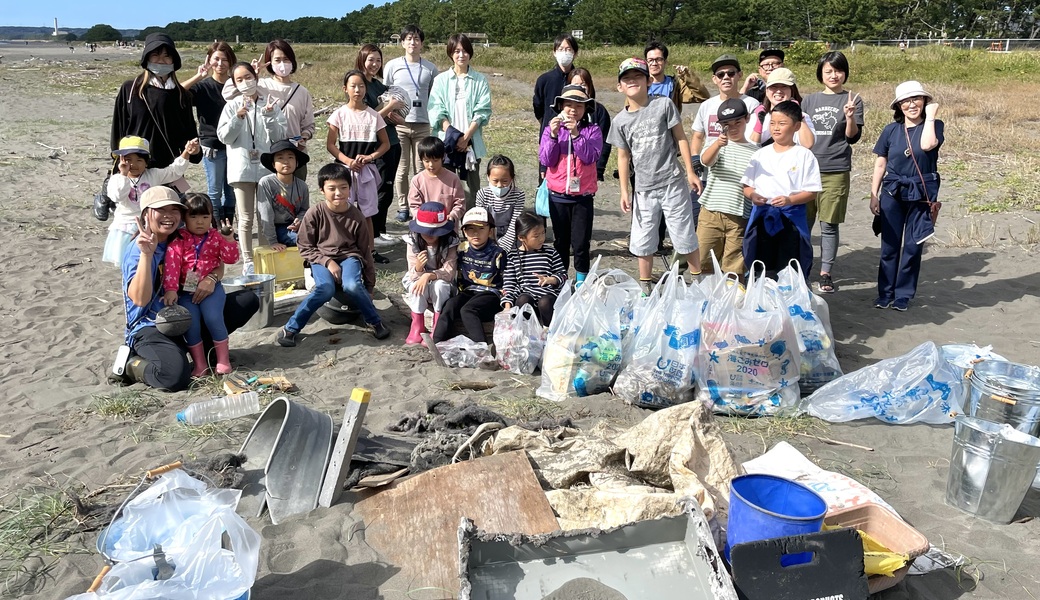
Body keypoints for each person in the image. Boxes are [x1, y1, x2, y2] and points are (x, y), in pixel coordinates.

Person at [117, 187, 259, 391]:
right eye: (161, 210)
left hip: (183, 312)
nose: (169, 216)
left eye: (174, 210)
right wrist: (147, 255)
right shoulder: (138, 249)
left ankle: (206, 353)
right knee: (174, 377)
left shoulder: (183, 237)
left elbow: (216, 262)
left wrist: (211, 278)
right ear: (146, 214)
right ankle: (133, 365)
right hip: (151, 324)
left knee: (247, 300)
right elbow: (139, 300)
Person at [607, 58, 701, 295]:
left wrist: (690, 171)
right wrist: (625, 192)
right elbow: (623, 157)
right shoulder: (619, 121)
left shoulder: (663, 105)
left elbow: (681, 137)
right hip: (644, 189)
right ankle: (645, 287)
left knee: (684, 235)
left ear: (648, 80)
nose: (632, 81)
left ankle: (699, 282)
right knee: (643, 240)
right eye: (626, 79)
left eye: (638, 77)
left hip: (672, 183)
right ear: (619, 87)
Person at [277, 163, 391, 346]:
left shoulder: (357, 216)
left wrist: (369, 287)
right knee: (325, 289)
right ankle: (291, 328)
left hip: (350, 256)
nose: (338, 193)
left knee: (353, 286)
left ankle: (374, 321)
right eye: (332, 188)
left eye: (343, 187)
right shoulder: (315, 213)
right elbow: (305, 246)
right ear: (322, 190)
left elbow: (365, 252)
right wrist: (327, 261)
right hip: (320, 258)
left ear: (350, 189)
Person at [870, 81, 943, 312]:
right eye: (906, 101)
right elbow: (881, 162)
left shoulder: (935, 125)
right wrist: (874, 194)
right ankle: (885, 293)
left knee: (913, 246)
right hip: (893, 191)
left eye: (916, 99)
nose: (911, 105)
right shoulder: (890, 130)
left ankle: (903, 295)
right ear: (898, 106)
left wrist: (930, 116)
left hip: (921, 192)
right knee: (890, 245)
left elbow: (927, 144)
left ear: (924, 101)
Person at [217, 61, 287, 275]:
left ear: (255, 77)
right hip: (241, 168)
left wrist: (268, 118)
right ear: (235, 84)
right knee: (245, 217)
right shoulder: (231, 105)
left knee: (265, 215)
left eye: (248, 77)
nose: (245, 82)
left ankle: (264, 254)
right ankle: (248, 260)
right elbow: (224, 137)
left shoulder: (271, 103)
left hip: (266, 168)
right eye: (239, 80)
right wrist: (238, 118)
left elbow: (280, 137)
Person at [802, 51, 864, 293]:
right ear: (821, 74)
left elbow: (853, 137)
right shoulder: (808, 101)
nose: (833, 75)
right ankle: (802, 268)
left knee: (828, 224)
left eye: (838, 70)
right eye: (828, 71)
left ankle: (825, 273)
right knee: (803, 224)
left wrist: (849, 117)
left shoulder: (853, 99)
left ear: (845, 72)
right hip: (807, 170)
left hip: (836, 168)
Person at [741, 101, 822, 279]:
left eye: (782, 124)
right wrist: (753, 195)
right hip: (762, 216)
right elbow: (747, 186)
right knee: (761, 265)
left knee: (789, 266)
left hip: (790, 218)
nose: (776, 128)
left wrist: (790, 200)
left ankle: (788, 300)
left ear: (796, 126)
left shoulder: (804, 155)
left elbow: (812, 191)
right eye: (772, 123)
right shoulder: (760, 154)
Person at [110, 32, 201, 191]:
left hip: (169, 168)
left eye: (167, 56)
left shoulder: (182, 95)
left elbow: (188, 132)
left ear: (174, 60)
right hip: (135, 166)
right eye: (155, 55)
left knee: (169, 213)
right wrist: (118, 160)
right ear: (147, 58)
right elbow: (119, 128)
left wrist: (194, 150)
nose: (161, 60)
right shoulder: (130, 89)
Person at [162, 193, 240, 377]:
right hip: (186, 291)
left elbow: (231, 259)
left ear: (211, 217)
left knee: (214, 319)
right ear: (184, 218)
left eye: (205, 217)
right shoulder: (179, 238)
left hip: (213, 291)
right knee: (192, 324)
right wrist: (171, 289)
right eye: (193, 216)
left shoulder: (215, 236)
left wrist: (229, 240)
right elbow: (172, 265)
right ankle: (200, 365)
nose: (200, 222)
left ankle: (223, 361)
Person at [103, 136, 200, 267]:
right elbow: (117, 196)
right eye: (128, 160)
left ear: (146, 162)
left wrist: (186, 152)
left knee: (152, 261)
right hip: (126, 227)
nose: (134, 164)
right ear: (121, 161)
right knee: (130, 263)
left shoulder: (153, 175)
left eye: (139, 160)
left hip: (151, 224)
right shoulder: (116, 179)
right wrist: (123, 175)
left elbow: (174, 171)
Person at [539, 85, 603, 286]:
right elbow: (546, 159)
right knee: (560, 242)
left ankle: (582, 281)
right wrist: (553, 136)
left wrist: (576, 135)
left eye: (579, 106)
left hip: (582, 197)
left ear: (585, 110)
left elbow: (591, 156)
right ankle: (561, 278)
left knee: (581, 243)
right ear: (560, 107)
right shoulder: (551, 129)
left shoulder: (592, 130)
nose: (573, 110)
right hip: (558, 195)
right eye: (568, 105)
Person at [326, 69, 391, 260]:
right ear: (345, 89)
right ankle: (343, 248)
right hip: (343, 171)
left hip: (366, 171)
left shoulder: (374, 115)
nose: (357, 90)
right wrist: (347, 161)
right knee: (342, 208)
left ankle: (369, 251)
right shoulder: (339, 114)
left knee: (367, 212)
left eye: (361, 86)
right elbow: (330, 144)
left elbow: (385, 143)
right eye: (353, 86)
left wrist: (370, 157)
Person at [428, 33, 492, 209]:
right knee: (446, 185)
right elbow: (436, 109)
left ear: (470, 53)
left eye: (464, 51)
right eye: (456, 51)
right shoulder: (440, 80)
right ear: (450, 53)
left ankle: (472, 223)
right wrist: (453, 135)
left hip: (471, 141)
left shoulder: (480, 80)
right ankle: (449, 220)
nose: (461, 55)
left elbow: (483, 110)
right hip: (447, 141)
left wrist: (466, 137)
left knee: (473, 187)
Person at [384, 24, 439, 223]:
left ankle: (420, 204)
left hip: (423, 123)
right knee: (402, 168)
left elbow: (434, 96)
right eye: (408, 39)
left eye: (416, 39)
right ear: (402, 42)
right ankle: (402, 207)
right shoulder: (392, 65)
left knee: (421, 167)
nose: (412, 43)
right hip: (399, 124)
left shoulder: (430, 68)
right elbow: (386, 93)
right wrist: (391, 114)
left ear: (421, 43)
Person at [697, 99, 757, 278]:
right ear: (720, 126)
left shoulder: (756, 151)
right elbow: (705, 161)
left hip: (739, 215)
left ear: (747, 119)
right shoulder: (717, 145)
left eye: (737, 122)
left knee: (735, 263)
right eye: (726, 124)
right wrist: (717, 144)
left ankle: (732, 296)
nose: (732, 128)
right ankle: (706, 293)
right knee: (702, 257)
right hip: (711, 212)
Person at [432, 207, 506, 344]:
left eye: (481, 228)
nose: (475, 233)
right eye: (470, 229)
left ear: (490, 231)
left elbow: (506, 278)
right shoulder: (461, 249)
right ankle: (436, 341)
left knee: (468, 310)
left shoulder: (498, 253)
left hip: (491, 294)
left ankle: (482, 346)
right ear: (464, 232)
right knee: (450, 305)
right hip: (468, 292)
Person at [357, 43, 404, 251]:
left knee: (387, 186)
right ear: (362, 60)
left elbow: (387, 115)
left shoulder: (379, 85)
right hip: (376, 146)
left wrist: (397, 115)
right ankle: (373, 233)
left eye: (378, 60)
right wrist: (390, 107)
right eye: (370, 60)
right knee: (378, 188)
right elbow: (368, 118)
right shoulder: (359, 85)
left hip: (392, 141)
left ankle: (381, 229)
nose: (374, 64)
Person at [183, 41, 238, 220]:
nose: (220, 64)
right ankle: (216, 227)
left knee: (231, 190)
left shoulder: (236, 86)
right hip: (212, 145)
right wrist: (198, 76)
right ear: (209, 60)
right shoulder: (203, 87)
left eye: (225, 59)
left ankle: (228, 227)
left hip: (235, 145)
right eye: (216, 59)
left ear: (231, 62)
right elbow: (177, 93)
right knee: (214, 191)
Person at [255, 40, 316, 181]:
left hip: (294, 154)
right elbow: (230, 93)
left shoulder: (302, 92)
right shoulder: (260, 86)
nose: (282, 64)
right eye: (277, 60)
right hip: (268, 154)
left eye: (286, 59)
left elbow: (309, 125)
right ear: (269, 62)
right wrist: (253, 74)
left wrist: (304, 137)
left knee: (297, 197)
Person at [402, 202, 460, 345]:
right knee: (416, 286)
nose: (429, 235)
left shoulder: (450, 242)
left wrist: (429, 275)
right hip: (418, 278)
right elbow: (412, 272)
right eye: (425, 230)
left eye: (435, 232)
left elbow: (449, 271)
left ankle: (437, 325)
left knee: (439, 286)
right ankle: (417, 326)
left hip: (441, 281)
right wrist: (419, 268)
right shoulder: (413, 241)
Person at [690, 54, 761, 168]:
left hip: (741, 167)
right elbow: (698, 136)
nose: (726, 77)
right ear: (714, 79)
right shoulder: (706, 105)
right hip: (710, 168)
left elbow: (755, 137)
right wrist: (695, 157)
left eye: (731, 73)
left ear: (740, 75)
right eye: (720, 74)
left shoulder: (752, 104)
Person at [501, 211, 567, 327]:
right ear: (521, 237)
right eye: (536, 236)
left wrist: (551, 279)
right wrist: (507, 307)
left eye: (543, 233)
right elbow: (509, 283)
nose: (541, 238)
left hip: (547, 298)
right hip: (526, 297)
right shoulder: (513, 256)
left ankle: (549, 332)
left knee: (544, 302)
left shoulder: (551, 252)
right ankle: (525, 333)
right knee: (523, 299)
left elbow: (563, 275)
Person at [533, 34, 579, 180]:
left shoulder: (580, 79)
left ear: (575, 53)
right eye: (561, 49)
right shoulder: (544, 80)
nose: (564, 53)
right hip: (551, 136)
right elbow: (538, 108)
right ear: (554, 52)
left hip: (575, 137)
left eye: (568, 49)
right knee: (547, 182)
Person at [257, 140, 310, 249]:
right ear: (273, 164)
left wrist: (299, 220)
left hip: (296, 226)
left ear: (297, 162)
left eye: (290, 157)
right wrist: (273, 241)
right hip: (277, 228)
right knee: (303, 239)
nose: (286, 162)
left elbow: (305, 210)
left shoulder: (302, 186)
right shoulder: (266, 183)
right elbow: (266, 213)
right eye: (280, 158)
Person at [749, 68, 815, 148]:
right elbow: (751, 147)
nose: (778, 91)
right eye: (774, 87)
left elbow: (808, 145)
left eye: (784, 86)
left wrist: (798, 115)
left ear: (792, 90)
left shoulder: (803, 117)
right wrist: (759, 123)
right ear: (767, 90)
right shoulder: (756, 116)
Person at [407, 136, 466, 224]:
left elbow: (460, 203)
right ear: (421, 159)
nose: (431, 165)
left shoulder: (453, 179)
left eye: (435, 160)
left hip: (447, 227)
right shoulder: (417, 180)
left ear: (443, 157)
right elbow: (414, 205)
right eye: (426, 161)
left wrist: (453, 215)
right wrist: (422, 216)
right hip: (424, 227)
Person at [475, 154, 525, 251]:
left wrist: (504, 246)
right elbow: (481, 221)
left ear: (512, 178)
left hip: (511, 237)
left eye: (505, 181)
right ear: (488, 177)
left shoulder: (518, 194)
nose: (499, 185)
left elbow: (515, 222)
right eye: (495, 181)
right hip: (487, 235)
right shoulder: (482, 194)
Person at [643, 41, 709, 113]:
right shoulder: (640, 84)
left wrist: (688, 76)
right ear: (646, 62)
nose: (654, 63)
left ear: (665, 62)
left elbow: (703, 97)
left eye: (658, 59)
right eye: (650, 60)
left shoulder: (675, 85)